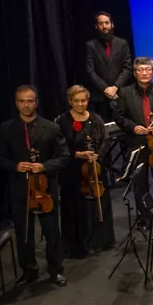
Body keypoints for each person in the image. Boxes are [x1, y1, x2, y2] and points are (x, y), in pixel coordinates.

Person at [0, 85, 71, 286]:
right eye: (22, 101)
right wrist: (16, 166)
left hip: (46, 189)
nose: (26, 105)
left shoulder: (52, 127)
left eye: (30, 100)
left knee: (52, 232)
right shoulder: (7, 128)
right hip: (20, 189)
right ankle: (29, 270)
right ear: (16, 103)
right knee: (24, 234)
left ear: (36, 102)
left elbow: (64, 157)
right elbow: (0, 158)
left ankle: (55, 270)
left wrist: (44, 166)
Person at [114, 57, 153, 229]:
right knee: (140, 183)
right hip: (137, 144)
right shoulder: (125, 93)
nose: (144, 73)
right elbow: (119, 117)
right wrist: (134, 127)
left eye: (147, 69)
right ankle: (145, 216)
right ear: (135, 73)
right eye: (140, 70)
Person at [56, 85, 116, 258]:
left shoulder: (96, 118)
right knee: (76, 207)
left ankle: (100, 240)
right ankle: (78, 244)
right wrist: (77, 154)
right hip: (73, 171)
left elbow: (105, 139)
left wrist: (98, 156)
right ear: (70, 101)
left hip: (95, 169)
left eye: (84, 100)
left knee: (99, 203)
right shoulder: (62, 121)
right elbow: (60, 147)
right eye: (77, 101)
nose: (81, 104)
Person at [84, 11, 133, 121]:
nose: (104, 26)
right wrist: (105, 89)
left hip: (121, 92)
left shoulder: (122, 43)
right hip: (101, 95)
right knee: (104, 128)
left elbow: (127, 67)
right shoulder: (91, 45)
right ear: (96, 26)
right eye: (101, 23)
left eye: (107, 23)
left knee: (124, 125)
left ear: (112, 24)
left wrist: (115, 87)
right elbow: (90, 70)